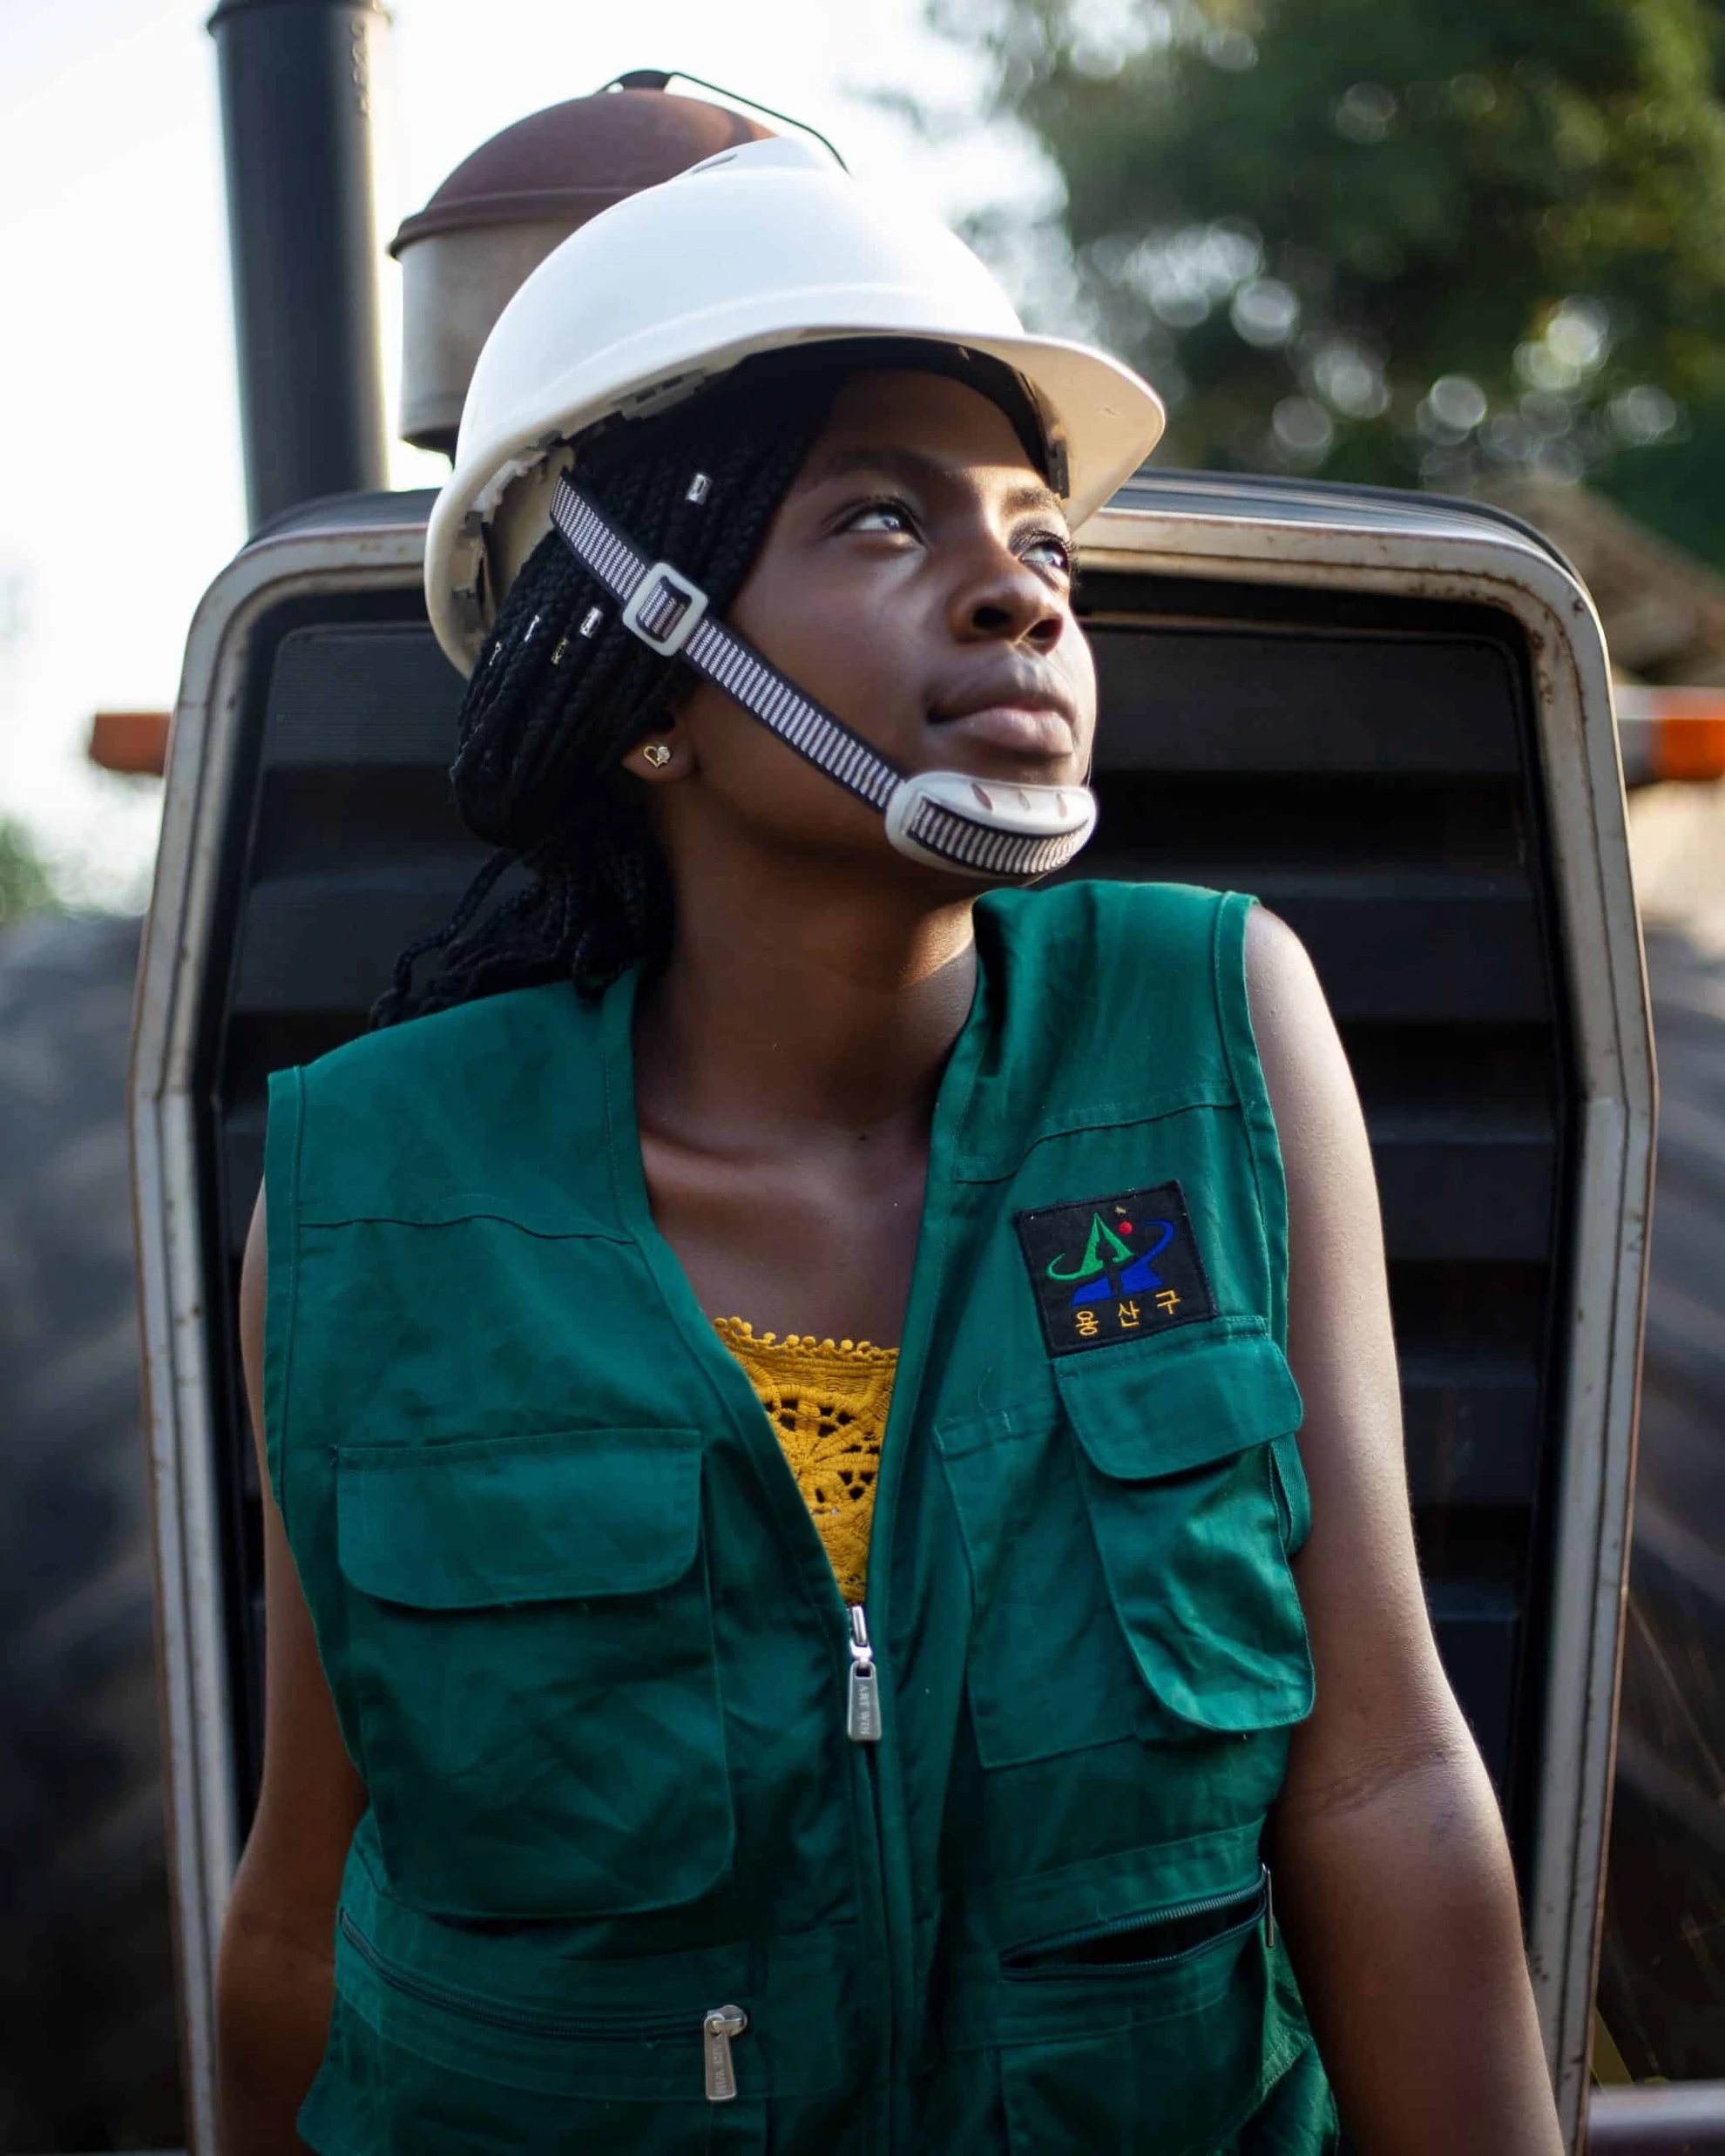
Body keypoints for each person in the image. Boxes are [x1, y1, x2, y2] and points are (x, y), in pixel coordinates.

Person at [216, 139, 1564, 2153]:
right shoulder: (360, 1200)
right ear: (640, 657)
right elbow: (308, 1897)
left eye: (1042, 538)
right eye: (880, 516)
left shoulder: (1220, 1031)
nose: (1021, 583)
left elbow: (1382, 1778)